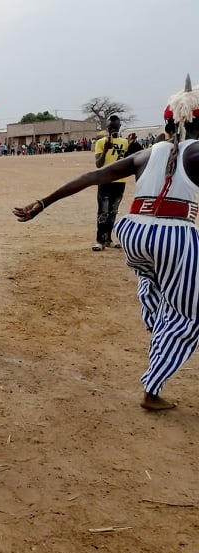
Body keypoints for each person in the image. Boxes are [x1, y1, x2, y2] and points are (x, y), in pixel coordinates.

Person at [13, 75, 199, 411]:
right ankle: (153, 388)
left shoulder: (147, 153)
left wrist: (43, 202)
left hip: (133, 234)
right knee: (189, 315)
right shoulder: (195, 152)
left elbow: (91, 177)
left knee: (154, 283)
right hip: (174, 235)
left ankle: (158, 320)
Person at [92, 115, 129, 251]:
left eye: (116, 127)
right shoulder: (101, 142)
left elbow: (126, 160)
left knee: (113, 211)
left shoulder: (125, 143)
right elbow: (98, 164)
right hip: (105, 181)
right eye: (111, 127)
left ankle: (108, 239)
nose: (114, 129)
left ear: (119, 127)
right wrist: (106, 150)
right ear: (107, 128)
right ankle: (99, 240)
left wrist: (132, 145)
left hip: (120, 182)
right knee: (103, 212)